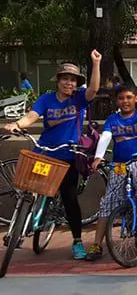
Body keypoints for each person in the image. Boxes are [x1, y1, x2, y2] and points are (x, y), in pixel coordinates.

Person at [3, 52, 101, 260]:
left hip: (68, 156)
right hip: (44, 153)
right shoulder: (46, 99)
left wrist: (96, 63)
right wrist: (17, 124)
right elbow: (31, 116)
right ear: (58, 80)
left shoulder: (79, 99)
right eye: (65, 78)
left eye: (72, 80)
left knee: (70, 198)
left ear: (76, 84)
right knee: (29, 188)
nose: (68, 83)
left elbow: (93, 89)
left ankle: (77, 241)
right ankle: (19, 227)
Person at [84, 85, 137, 261]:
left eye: (129, 97)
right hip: (120, 164)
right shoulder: (112, 119)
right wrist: (98, 157)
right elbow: (106, 137)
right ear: (116, 101)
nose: (125, 101)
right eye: (121, 98)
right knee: (107, 202)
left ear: (136, 99)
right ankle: (97, 244)